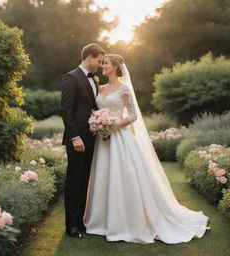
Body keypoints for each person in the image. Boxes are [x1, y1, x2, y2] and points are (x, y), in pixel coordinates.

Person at [84, 54, 210, 244]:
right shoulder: (99, 88)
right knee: (103, 175)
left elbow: (133, 115)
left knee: (123, 175)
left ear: (116, 67)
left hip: (119, 138)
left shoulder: (124, 89)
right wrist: (98, 123)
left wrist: (114, 125)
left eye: (106, 63)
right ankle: (100, 220)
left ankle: (125, 221)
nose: (103, 66)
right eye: (102, 63)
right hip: (102, 141)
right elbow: (95, 111)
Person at [61, 43, 105, 238]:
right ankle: (71, 226)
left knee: (84, 181)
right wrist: (75, 136)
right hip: (77, 139)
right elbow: (66, 110)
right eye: (99, 60)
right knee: (74, 181)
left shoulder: (94, 80)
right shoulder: (71, 78)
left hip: (92, 137)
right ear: (89, 57)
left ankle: (80, 222)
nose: (100, 65)